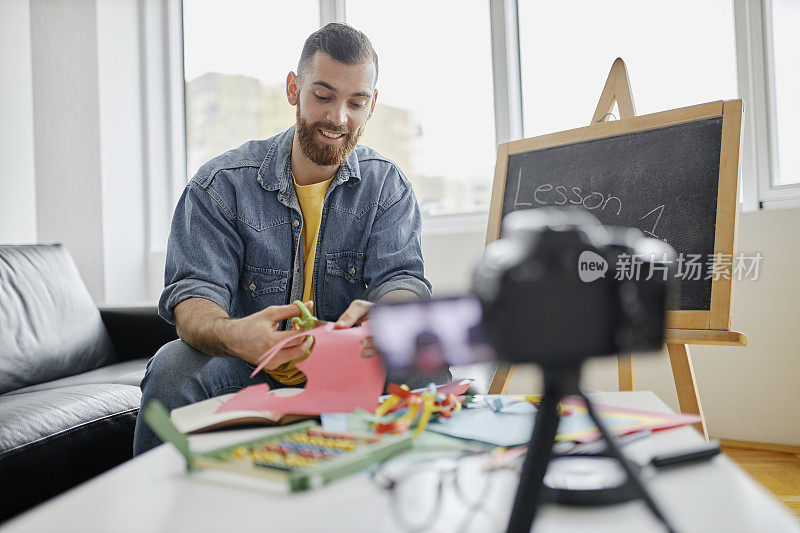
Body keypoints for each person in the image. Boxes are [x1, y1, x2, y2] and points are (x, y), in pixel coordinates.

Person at [133, 23, 448, 455]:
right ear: (293, 89)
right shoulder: (219, 186)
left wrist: (386, 317)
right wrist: (234, 334)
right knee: (172, 368)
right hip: (246, 365)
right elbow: (193, 301)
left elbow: (403, 280)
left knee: (425, 361)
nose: (338, 118)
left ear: (371, 106)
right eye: (323, 96)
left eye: (356, 102)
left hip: (352, 367)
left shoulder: (387, 187)